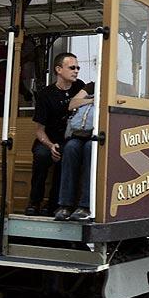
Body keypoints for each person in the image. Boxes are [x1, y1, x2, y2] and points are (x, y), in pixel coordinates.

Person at [24, 52, 85, 216]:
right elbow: (39, 130)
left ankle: (53, 205)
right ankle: (34, 201)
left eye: (78, 67)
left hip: (69, 139)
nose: (76, 71)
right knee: (42, 156)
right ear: (59, 69)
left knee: (67, 155)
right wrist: (50, 145)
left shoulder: (80, 86)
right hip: (48, 139)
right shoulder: (46, 94)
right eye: (72, 67)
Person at [54, 81, 95, 222]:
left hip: (102, 136)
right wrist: (94, 100)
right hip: (81, 133)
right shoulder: (92, 86)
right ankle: (65, 205)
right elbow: (72, 104)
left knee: (91, 149)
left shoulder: (125, 87)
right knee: (70, 147)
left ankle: (85, 205)